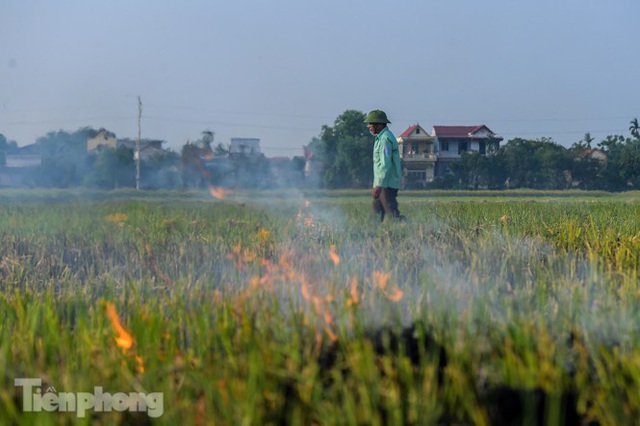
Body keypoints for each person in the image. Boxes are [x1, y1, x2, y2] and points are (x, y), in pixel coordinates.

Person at [364, 109, 403, 222]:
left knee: (392, 214)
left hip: (387, 184)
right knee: (375, 215)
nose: (369, 126)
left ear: (379, 124)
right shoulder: (380, 138)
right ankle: (371, 235)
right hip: (382, 183)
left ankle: (409, 228)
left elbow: (385, 164)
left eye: (371, 124)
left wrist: (379, 185)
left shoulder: (385, 139)